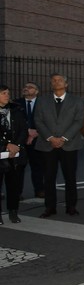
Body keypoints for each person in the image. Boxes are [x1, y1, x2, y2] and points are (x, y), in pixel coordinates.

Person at [33, 73, 84, 218]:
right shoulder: (42, 101)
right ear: (51, 84)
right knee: (49, 178)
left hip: (69, 145)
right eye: (54, 80)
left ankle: (71, 207)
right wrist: (50, 138)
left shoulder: (76, 101)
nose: (56, 82)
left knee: (70, 177)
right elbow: (38, 120)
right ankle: (50, 207)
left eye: (60, 80)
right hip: (47, 144)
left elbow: (78, 121)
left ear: (66, 84)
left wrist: (63, 138)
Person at [0, 85, 28, 224]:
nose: (7, 95)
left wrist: (16, 146)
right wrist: (6, 145)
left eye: (8, 93)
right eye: (3, 93)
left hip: (15, 153)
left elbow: (24, 130)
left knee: (14, 185)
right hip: (1, 152)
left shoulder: (16, 109)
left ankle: (13, 212)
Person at [14, 82, 44, 198]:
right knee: (19, 167)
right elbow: (15, 121)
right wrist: (27, 132)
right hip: (20, 139)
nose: (26, 89)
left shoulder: (43, 103)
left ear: (36, 91)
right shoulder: (16, 103)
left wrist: (36, 132)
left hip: (38, 139)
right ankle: (17, 192)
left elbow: (47, 119)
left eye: (30, 87)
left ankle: (39, 190)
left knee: (38, 166)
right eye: (25, 87)